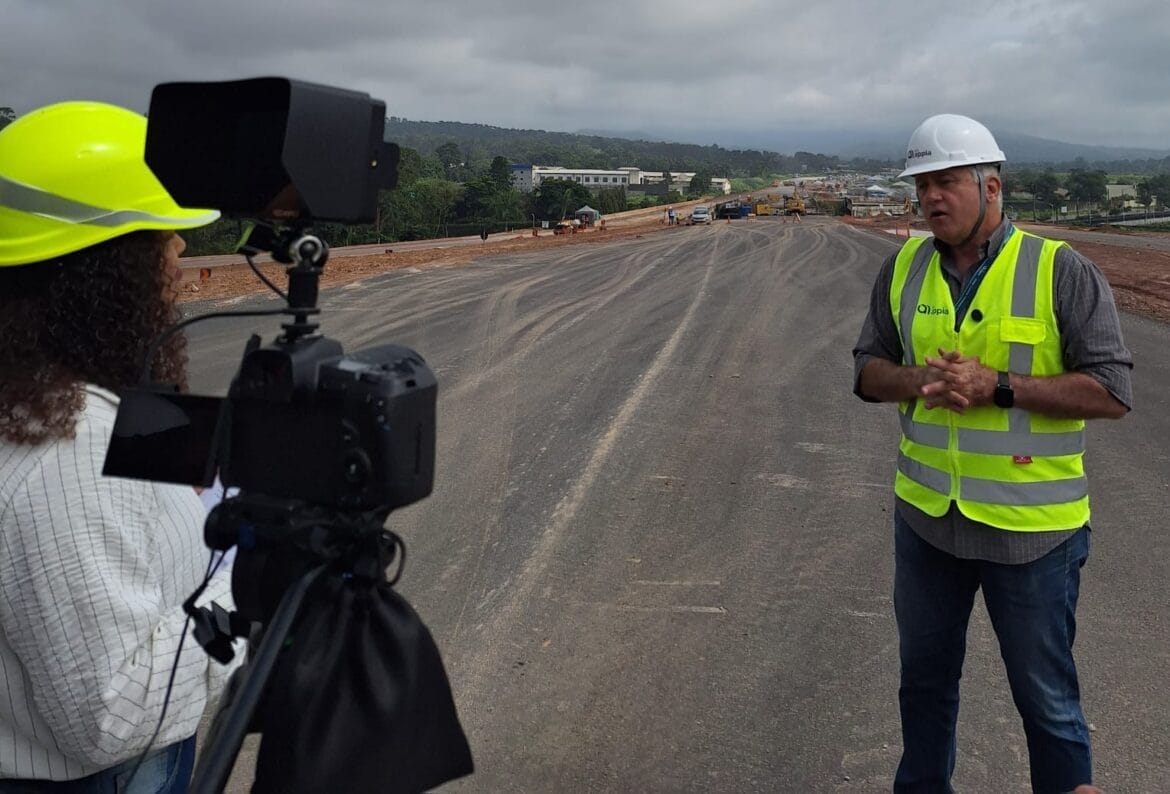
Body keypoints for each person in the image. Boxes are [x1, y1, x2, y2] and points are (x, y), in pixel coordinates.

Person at [851, 114, 1132, 793]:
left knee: (1047, 703)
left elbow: (1111, 391)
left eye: (946, 182)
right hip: (927, 524)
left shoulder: (1060, 270)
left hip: (1032, 535)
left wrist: (998, 387)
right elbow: (866, 371)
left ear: (992, 186)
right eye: (922, 186)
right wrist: (918, 381)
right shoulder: (903, 267)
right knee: (924, 686)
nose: (931, 198)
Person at [0, 101, 238, 790]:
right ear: (108, 269)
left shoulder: (38, 392)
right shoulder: (70, 451)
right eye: (162, 235)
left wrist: (187, 482)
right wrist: (248, 579)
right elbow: (116, 715)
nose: (180, 249)